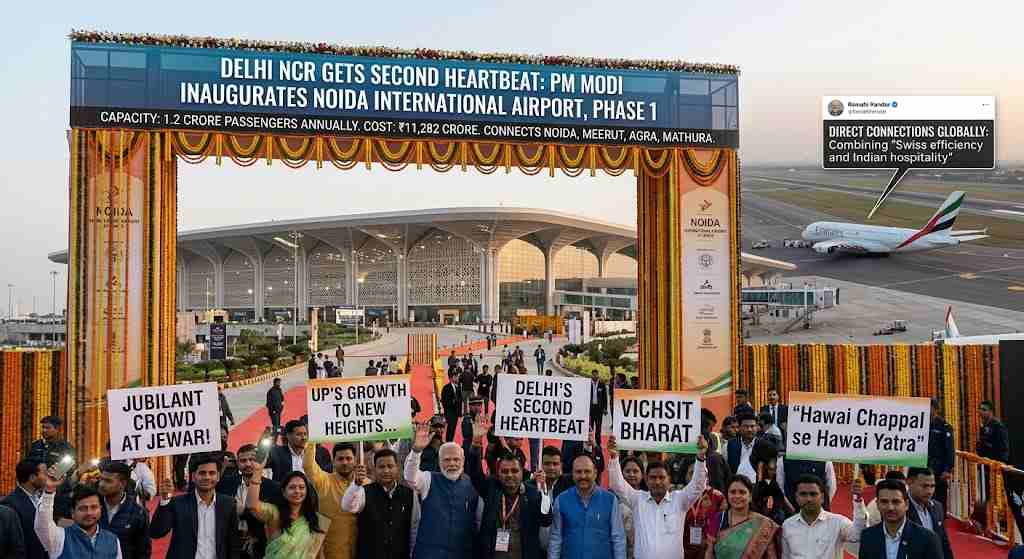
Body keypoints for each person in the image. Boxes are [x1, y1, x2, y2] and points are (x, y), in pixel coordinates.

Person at [609, 434, 709, 559]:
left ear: (669, 479)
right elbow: (616, 484)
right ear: (646, 479)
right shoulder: (638, 499)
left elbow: (698, 486)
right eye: (653, 478)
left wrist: (700, 458)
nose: (657, 482)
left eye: (661, 477)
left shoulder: (679, 500)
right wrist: (614, 457)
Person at [466, 417, 552, 559]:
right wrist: (476, 441)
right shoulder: (491, 489)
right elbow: (475, 473)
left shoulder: (532, 494)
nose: (510, 475)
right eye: (505, 471)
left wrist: (544, 491)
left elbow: (546, 520)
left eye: (514, 471)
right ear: (497, 473)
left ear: (522, 473)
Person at [405, 423, 481, 559]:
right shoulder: (428, 479)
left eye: (456, 459)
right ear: (439, 462)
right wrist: (416, 451)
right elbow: (410, 478)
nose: (452, 464)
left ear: (462, 461)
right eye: (447, 460)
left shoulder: (472, 483)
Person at [151, 452, 242, 559]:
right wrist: (164, 501)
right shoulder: (178, 503)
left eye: (211, 473)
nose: (207, 477)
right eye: (202, 473)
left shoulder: (228, 504)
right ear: (193, 477)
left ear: (218, 476)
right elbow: (156, 532)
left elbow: (233, 543)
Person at [342, 448, 417, 559]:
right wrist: (356, 484)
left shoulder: (409, 494)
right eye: (381, 467)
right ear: (374, 469)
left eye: (390, 466)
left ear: (397, 468)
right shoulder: (363, 491)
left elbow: (414, 528)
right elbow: (347, 506)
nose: (386, 471)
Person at [548, 453, 626, 559]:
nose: (583, 476)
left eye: (587, 471)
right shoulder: (561, 500)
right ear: (572, 473)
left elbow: (618, 539)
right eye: (578, 472)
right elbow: (556, 538)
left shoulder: (610, 500)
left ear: (595, 473)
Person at [245, 461, 328, 559]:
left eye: (301, 487)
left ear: (307, 492)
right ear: (284, 492)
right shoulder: (274, 513)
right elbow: (252, 505)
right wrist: (257, 472)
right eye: (292, 487)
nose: (297, 491)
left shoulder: (315, 520)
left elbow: (319, 553)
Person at [36, 472, 122, 559]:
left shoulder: (113, 540)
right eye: (83, 508)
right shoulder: (59, 537)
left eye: (94, 507)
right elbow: (42, 524)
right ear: (73, 513)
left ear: (100, 509)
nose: (89, 512)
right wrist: (49, 491)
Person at [217, 444, 282, 559]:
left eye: (252, 460)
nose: (247, 464)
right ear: (237, 463)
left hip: (261, 546)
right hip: (230, 545)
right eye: (243, 460)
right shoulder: (225, 483)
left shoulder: (274, 488)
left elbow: (274, 518)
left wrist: (243, 511)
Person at [779, 474, 865, 559]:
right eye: (803, 494)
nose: (808, 499)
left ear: (822, 498)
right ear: (796, 497)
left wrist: (858, 499)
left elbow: (857, 535)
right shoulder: (788, 525)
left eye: (813, 494)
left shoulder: (837, 522)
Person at [856, 479, 942, 559]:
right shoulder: (868, 536)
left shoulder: (927, 539)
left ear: (906, 504)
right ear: (877, 504)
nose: (890, 508)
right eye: (884, 502)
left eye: (896, 502)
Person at [303, 442, 357, 559]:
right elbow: (308, 466)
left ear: (355, 460)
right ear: (333, 461)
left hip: (359, 550)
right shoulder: (324, 481)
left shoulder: (365, 484)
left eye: (349, 458)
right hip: (330, 552)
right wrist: (312, 440)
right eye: (340, 459)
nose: (345, 462)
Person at [703, 475, 778, 559]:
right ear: (727, 495)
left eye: (742, 492)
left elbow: (771, 555)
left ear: (750, 496)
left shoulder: (763, 524)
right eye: (733, 492)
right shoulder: (720, 519)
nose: (737, 496)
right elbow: (709, 552)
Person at [97, 461, 151, 559]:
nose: (101, 484)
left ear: (123, 483)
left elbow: (143, 551)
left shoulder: (138, 512)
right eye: (101, 479)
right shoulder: (91, 506)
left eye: (108, 481)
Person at [673, 457, 725, 559]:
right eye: (691, 473)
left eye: (701, 473)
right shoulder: (678, 496)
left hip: (709, 550)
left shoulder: (718, 497)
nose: (695, 477)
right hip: (682, 550)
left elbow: (723, 526)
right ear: (685, 475)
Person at [3, 458, 49, 559]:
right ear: (32, 477)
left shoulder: (42, 498)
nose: (47, 477)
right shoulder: (10, 503)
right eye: (45, 473)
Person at [905, 468, 954, 559]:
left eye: (932, 486)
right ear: (909, 482)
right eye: (924, 486)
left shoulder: (937, 507)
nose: (929, 492)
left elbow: (943, 542)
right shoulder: (899, 509)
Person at [726, 413, 775, 485]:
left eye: (752, 426)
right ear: (739, 428)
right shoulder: (730, 445)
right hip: (736, 485)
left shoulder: (766, 446)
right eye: (746, 426)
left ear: (757, 427)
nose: (749, 429)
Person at [927, 399, 955, 508]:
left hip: (939, 468)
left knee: (939, 498)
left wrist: (948, 469)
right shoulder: (921, 424)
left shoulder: (944, 426)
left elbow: (950, 449)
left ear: (936, 409)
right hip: (925, 466)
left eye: (930, 407)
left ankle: (940, 520)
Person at [441, 371, 463, 442]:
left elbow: (460, 399)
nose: (457, 378)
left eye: (457, 376)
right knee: (450, 428)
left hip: (456, 412)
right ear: (451, 378)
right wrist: (452, 402)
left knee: (453, 428)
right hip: (449, 411)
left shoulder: (458, 387)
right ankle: (448, 442)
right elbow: (444, 400)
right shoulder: (446, 388)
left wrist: (459, 412)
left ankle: (450, 441)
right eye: (455, 377)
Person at [590, 371, 609, 439]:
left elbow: (605, 398)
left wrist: (605, 408)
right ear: (591, 375)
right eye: (593, 375)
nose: (594, 376)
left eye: (596, 375)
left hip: (599, 409)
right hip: (590, 409)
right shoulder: (588, 384)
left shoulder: (602, 384)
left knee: (598, 426)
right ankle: (590, 441)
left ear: (598, 375)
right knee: (590, 426)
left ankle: (598, 441)